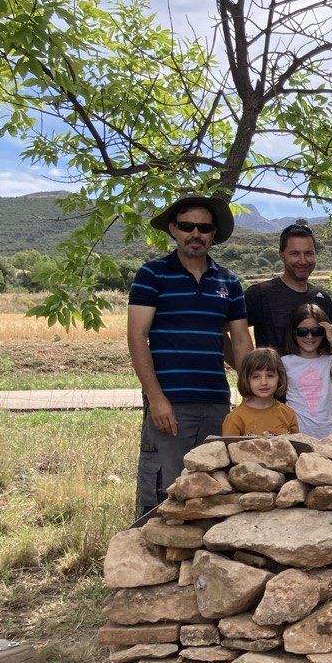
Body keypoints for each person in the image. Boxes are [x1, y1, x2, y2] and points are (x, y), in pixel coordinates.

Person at [128, 192, 252, 516]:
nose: (196, 234)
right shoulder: (152, 275)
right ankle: (147, 564)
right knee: (162, 493)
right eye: (187, 226)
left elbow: (239, 341)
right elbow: (137, 337)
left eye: (204, 228)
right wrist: (155, 398)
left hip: (216, 403)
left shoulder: (229, 282)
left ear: (213, 234)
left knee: (210, 494)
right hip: (170, 406)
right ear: (173, 229)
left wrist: (252, 398)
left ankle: (195, 567)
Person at [243, 223, 332, 349]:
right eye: (295, 254)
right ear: (282, 255)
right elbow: (227, 333)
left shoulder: (322, 298)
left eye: (308, 253)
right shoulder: (259, 294)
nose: (302, 261)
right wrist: (246, 367)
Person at [281, 302, 332, 438]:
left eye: (316, 331)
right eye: (302, 332)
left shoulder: (328, 360)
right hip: (297, 434)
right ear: (294, 333)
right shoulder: (286, 362)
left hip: (325, 433)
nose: (309, 337)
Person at [222, 348, 300, 436]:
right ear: (247, 380)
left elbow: (296, 447)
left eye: (270, 376)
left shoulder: (288, 414)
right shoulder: (235, 418)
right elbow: (229, 448)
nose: (264, 382)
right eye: (256, 377)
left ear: (280, 378)